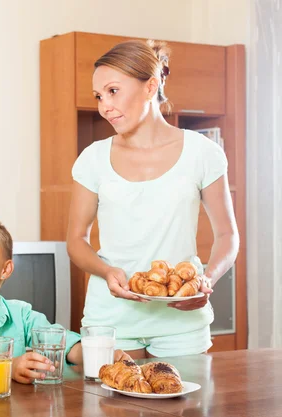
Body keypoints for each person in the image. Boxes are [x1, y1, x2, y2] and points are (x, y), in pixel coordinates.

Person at [66, 39, 239, 359]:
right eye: (99, 96)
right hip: (111, 318)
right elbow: (76, 239)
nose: (104, 105)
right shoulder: (92, 159)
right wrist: (106, 273)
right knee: (113, 407)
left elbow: (228, 236)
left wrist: (206, 280)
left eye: (113, 91)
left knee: (186, 407)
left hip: (181, 320)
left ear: (151, 86)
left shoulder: (203, 153)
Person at [0, 218, 130, 383]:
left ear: (6, 269)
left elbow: (63, 343)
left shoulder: (21, 313)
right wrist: (9, 366)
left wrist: (101, 356)